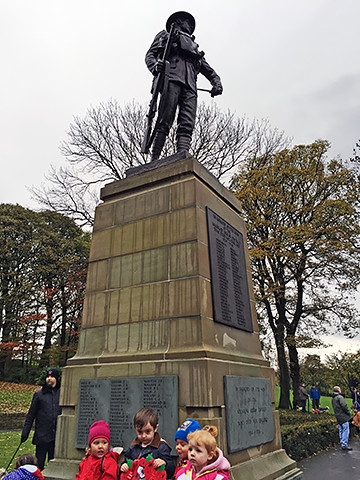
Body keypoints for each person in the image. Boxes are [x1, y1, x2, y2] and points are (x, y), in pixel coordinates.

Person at [144, 11, 223, 161]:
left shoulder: (194, 47)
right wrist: (155, 66)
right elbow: (150, 55)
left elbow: (207, 68)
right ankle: (154, 159)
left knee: (187, 121)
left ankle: (183, 156)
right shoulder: (165, 35)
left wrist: (216, 82)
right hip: (171, 78)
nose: (191, 25)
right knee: (164, 119)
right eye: (188, 22)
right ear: (179, 21)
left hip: (190, 85)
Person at [21, 368, 62, 470]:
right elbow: (31, 414)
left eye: (52, 377)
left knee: (54, 465)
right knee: (39, 464)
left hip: (56, 436)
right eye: (48, 377)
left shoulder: (62, 393)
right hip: (42, 436)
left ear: (56, 378)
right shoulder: (39, 394)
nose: (49, 379)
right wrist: (25, 432)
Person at [120, 407, 175, 479]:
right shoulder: (133, 448)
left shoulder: (161, 447)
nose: (143, 436)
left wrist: (165, 463)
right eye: (140, 432)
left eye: (148, 431)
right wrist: (124, 465)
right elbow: (127, 461)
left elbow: (171, 470)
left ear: (155, 428)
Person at [331, 385, 353, 450]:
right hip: (343, 416)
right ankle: (344, 444)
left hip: (337, 415)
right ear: (338, 390)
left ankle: (342, 442)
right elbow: (344, 406)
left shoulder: (333, 398)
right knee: (346, 429)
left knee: (341, 429)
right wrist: (348, 413)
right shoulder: (340, 397)